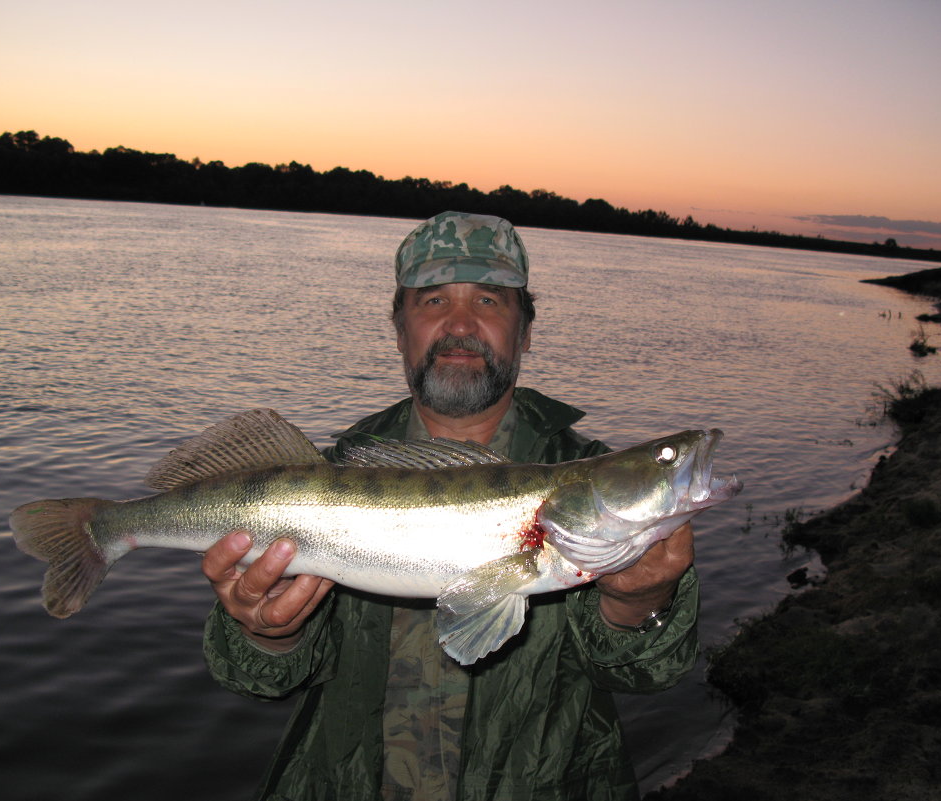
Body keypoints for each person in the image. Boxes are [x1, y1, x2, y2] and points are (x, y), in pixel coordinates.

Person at [201, 211, 699, 801]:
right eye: (433, 300)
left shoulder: (596, 482)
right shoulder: (326, 475)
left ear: (526, 331)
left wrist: (638, 602)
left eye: (489, 300)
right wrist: (267, 635)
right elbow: (256, 682)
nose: (461, 323)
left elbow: (649, 673)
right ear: (399, 328)